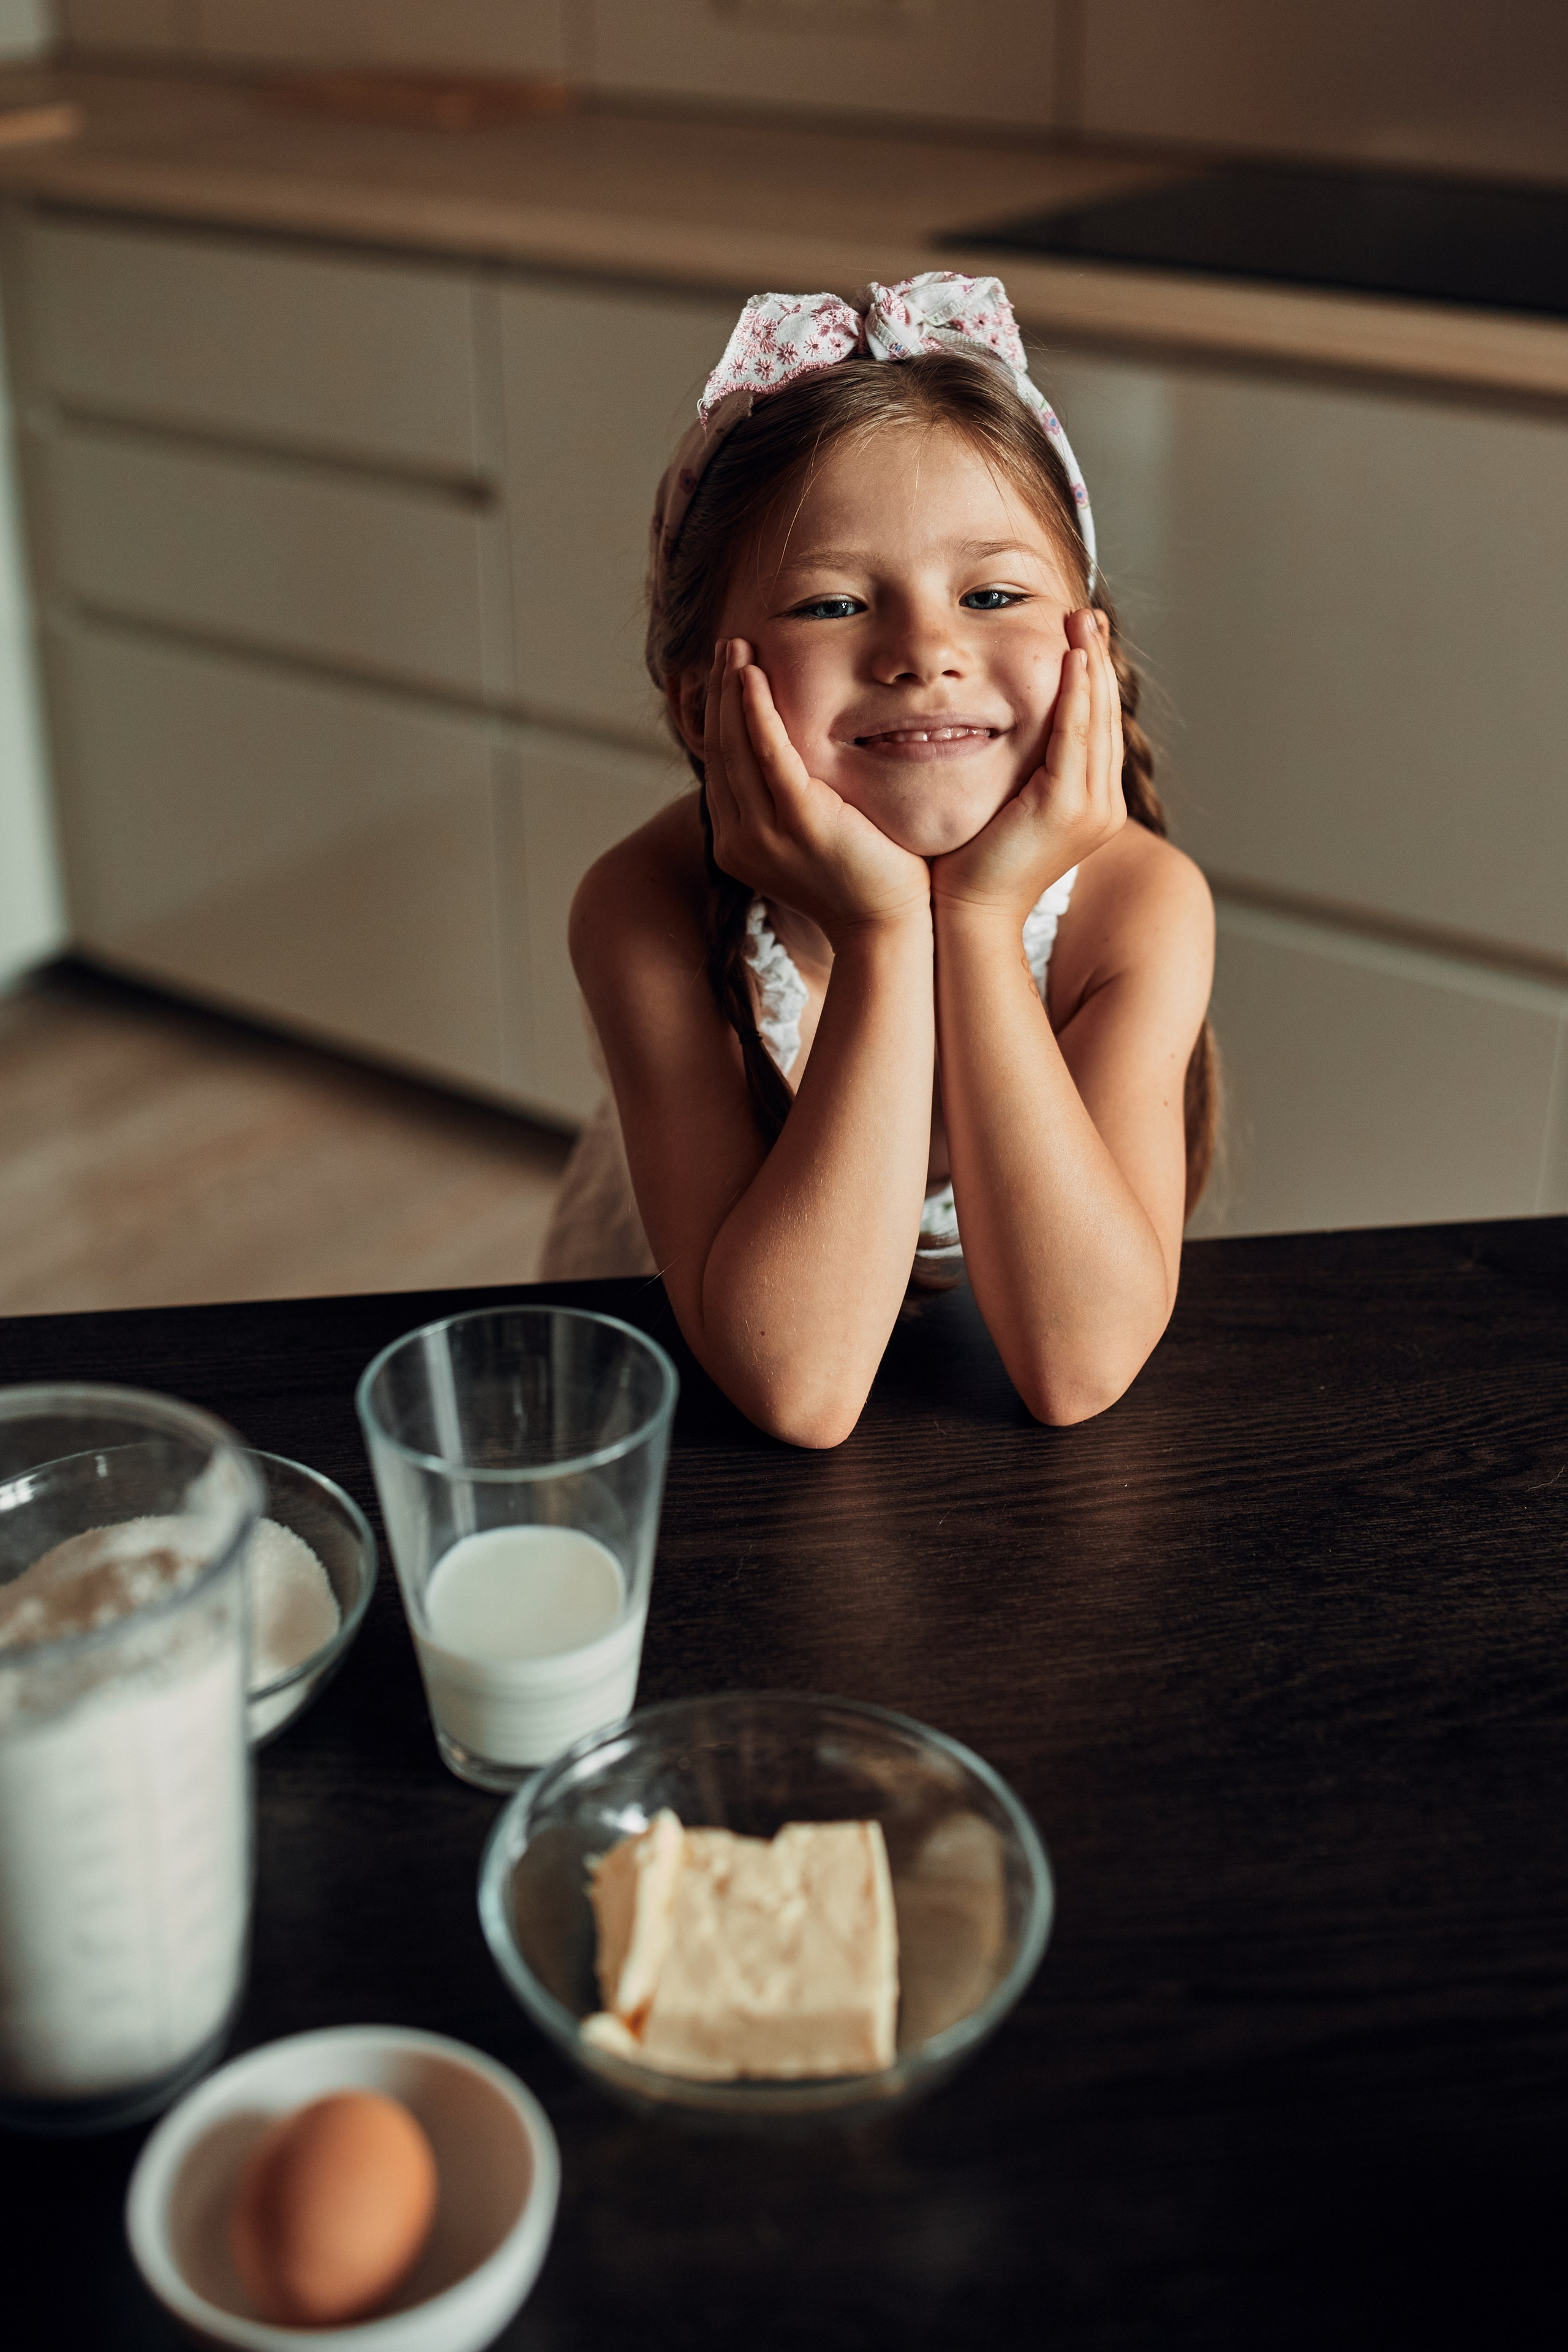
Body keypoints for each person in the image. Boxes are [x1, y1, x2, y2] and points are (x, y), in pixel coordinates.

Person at [541, 273, 1216, 1447]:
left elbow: (1079, 1366)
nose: (927, 650)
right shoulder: (642, 910)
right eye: (835, 604)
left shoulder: (1137, 909)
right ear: (703, 699)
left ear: (1089, 655)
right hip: (676, 1422)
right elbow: (800, 1390)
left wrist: (985, 914)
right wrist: (885, 931)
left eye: (994, 591)